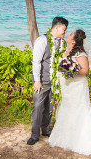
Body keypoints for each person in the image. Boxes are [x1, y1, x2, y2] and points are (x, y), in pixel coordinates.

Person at [27, 16, 68, 145]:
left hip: (54, 81)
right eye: (64, 29)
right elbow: (36, 61)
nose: (65, 32)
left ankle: (46, 129)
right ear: (57, 27)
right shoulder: (42, 40)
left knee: (50, 107)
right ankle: (34, 134)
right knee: (38, 106)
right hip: (41, 80)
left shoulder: (63, 43)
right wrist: (37, 81)